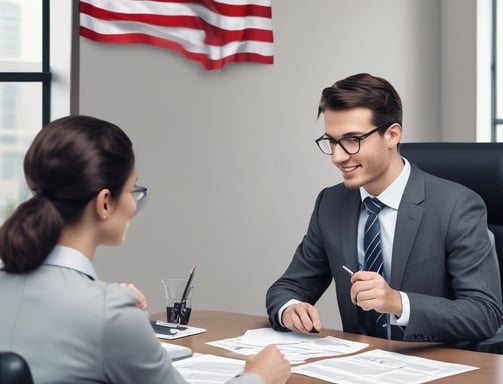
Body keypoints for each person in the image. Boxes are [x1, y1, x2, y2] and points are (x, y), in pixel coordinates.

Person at [0, 115, 290, 384]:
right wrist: (259, 376)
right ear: (104, 203)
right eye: (133, 189)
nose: (133, 204)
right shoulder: (107, 313)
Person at [266, 73, 503, 343]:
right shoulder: (331, 203)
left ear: (392, 135)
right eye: (332, 141)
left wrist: (398, 303)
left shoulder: (457, 206)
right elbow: (288, 287)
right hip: (362, 367)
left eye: (352, 140)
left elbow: (485, 313)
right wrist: (290, 308)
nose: (337, 156)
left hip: (441, 368)